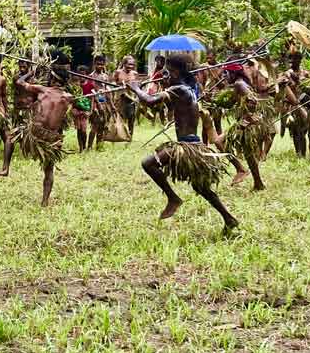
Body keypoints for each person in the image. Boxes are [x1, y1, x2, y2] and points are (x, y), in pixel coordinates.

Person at [127, 53, 240, 233]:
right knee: (201, 187)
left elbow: (150, 101)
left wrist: (135, 88)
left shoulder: (179, 89)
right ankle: (229, 218)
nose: (166, 74)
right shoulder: (189, 87)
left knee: (148, 163)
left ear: (177, 71)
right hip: (195, 145)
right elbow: (170, 100)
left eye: (169, 71)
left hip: (187, 146)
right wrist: (162, 83)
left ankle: (173, 198)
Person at [0, 50, 75, 207]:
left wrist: (31, 72)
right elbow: (19, 83)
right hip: (45, 135)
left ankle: (5, 168)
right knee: (48, 170)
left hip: (41, 133)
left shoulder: (44, 90)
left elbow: (20, 82)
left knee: (10, 137)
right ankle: (44, 201)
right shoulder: (67, 96)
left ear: (52, 78)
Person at [203, 62, 270, 191]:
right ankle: (254, 180)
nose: (224, 76)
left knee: (220, 142)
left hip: (248, 123)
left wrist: (248, 117)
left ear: (232, 73)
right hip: (244, 122)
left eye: (225, 73)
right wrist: (210, 99)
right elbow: (228, 104)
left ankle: (245, 172)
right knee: (247, 154)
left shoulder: (240, 84)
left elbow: (253, 101)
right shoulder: (237, 85)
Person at [279, 50, 310, 157]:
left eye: (295, 59)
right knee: (296, 132)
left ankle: (304, 153)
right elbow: (283, 90)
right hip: (292, 106)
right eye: (291, 59)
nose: (292, 61)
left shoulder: (305, 74)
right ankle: (299, 154)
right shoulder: (286, 74)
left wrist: (298, 81)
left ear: (300, 60)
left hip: (304, 104)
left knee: (304, 131)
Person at [87, 55, 114, 150]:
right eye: (98, 64)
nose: (100, 66)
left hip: (104, 102)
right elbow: (91, 92)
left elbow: (108, 92)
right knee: (94, 126)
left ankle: (99, 146)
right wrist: (96, 105)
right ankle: (89, 147)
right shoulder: (91, 76)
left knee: (103, 126)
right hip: (95, 103)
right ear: (94, 64)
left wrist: (112, 105)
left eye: (102, 64)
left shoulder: (105, 76)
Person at [113, 55, 139, 138]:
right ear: (124, 64)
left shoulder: (135, 74)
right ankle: (120, 135)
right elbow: (113, 83)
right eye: (129, 64)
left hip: (131, 99)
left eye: (132, 65)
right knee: (120, 117)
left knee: (131, 118)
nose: (130, 66)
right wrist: (120, 85)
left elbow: (137, 86)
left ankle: (130, 136)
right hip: (120, 98)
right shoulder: (118, 72)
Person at [72, 65, 92, 152]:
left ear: (86, 75)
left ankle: (84, 145)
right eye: (80, 75)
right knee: (79, 129)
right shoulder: (74, 86)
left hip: (85, 109)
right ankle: (80, 148)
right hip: (76, 109)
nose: (81, 77)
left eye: (83, 75)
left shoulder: (90, 85)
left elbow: (92, 98)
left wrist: (90, 111)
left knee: (84, 130)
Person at [12, 58, 36, 127]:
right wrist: (28, 74)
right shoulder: (16, 77)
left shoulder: (33, 80)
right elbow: (19, 82)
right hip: (18, 109)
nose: (22, 69)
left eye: (24, 67)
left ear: (28, 66)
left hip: (28, 109)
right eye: (20, 67)